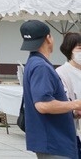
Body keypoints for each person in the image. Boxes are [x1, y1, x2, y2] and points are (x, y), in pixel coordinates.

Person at [20, 20, 81, 159]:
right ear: (48, 38)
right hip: (54, 141)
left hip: (49, 139)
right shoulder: (41, 66)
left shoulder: (34, 62)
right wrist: (77, 104)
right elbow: (43, 105)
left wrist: (72, 112)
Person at [55, 31, 81, 152]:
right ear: (69, 50)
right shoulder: (61, 72)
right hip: (74, 131)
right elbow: (62, 101)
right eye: (80, 48)